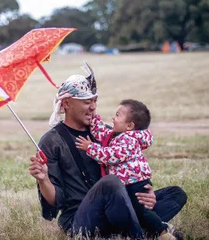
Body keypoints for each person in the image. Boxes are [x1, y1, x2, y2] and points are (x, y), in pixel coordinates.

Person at [28, 63, 187, 239]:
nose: (93, 107)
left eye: (95, 101)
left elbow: (129, 169)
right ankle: (144, 232)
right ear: (66, 103)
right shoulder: (51, 141)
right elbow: (55, 203)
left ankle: (134, 228)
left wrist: (146, 192)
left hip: (119, 205)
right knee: (110, 183)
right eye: (87, 102)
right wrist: (43, 180)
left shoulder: (106, 132)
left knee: (175, 194)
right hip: (82, 218)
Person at [75, 99, 176, 239]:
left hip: (136, 184)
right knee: (135, 210)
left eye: (117, 115)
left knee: (142, 212)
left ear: (129, 125)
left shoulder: (129, 141)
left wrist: (90, 147)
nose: (113, 118)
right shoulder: (118, 136)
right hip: (129, 183)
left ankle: (163, 232)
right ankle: (149, 229)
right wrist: (94, 118)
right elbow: (102, 133)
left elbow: (111, 155)